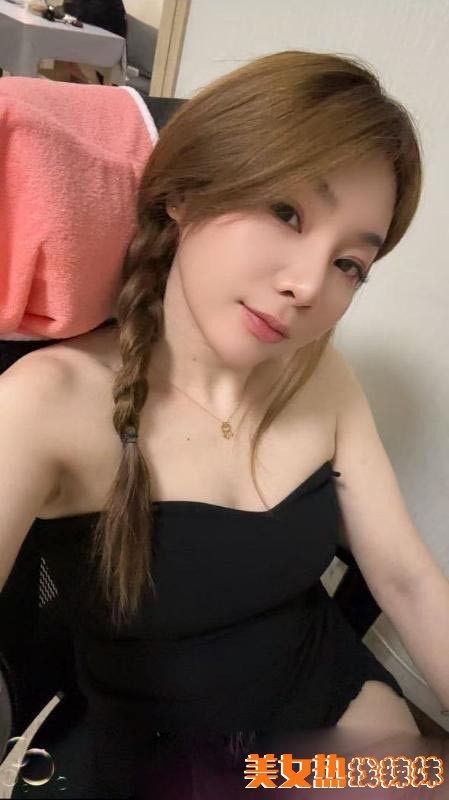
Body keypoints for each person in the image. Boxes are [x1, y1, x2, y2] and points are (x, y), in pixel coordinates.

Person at [1, 49, 448, 799]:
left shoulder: (321, 372)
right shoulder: (45, 404)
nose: (307, 285)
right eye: (286, 212)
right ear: (184, 192)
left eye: (349, 264)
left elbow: (406, 578)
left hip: (329, 709)